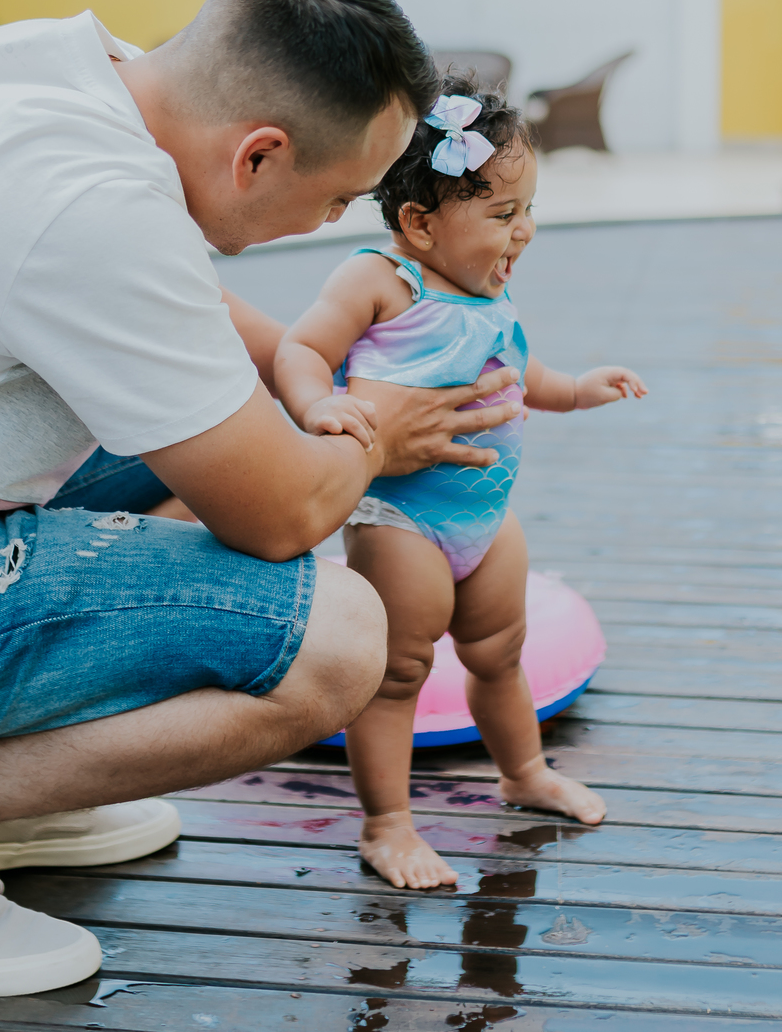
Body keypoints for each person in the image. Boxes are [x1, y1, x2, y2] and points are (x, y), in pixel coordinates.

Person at [0, 0, 524, 998]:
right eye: (336, 199)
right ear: (260, 155)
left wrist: (303, 370)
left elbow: (175, 315)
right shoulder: (89, 208)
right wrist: (375, 430)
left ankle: (13, 789)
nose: (332, 227)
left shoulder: (72, 74)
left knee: (188, 441)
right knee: (338, 642)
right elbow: (279, 515)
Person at [275, 76, 648, 891]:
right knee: (398, 673)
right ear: (420, 223)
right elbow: (298, 350)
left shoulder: (486, 284)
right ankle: (387, 824)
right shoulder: (380, 279)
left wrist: (576, 386)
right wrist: (320, 404)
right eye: (505, 214)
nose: (527, 230)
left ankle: (523, 772)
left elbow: (515, 368)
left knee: (500, 652)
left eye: (529, 209)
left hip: (486, 516)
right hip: (402, 517)